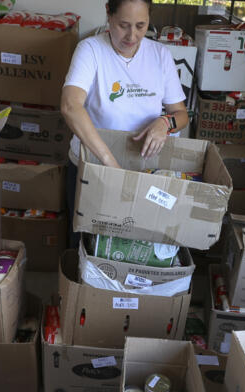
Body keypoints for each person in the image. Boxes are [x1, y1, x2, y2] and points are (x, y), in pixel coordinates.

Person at [61, 0, 188, 244]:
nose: (132, 35)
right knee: (86, 245)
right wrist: (108, 160)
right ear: (108, 14)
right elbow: (70, 106)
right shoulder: (90, 50)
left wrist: (164, 123)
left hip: (142, 169)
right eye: (124, 25)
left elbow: (180, 114)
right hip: (93, 168)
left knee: (133, 246)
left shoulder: (160, 55)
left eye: (141, 26)